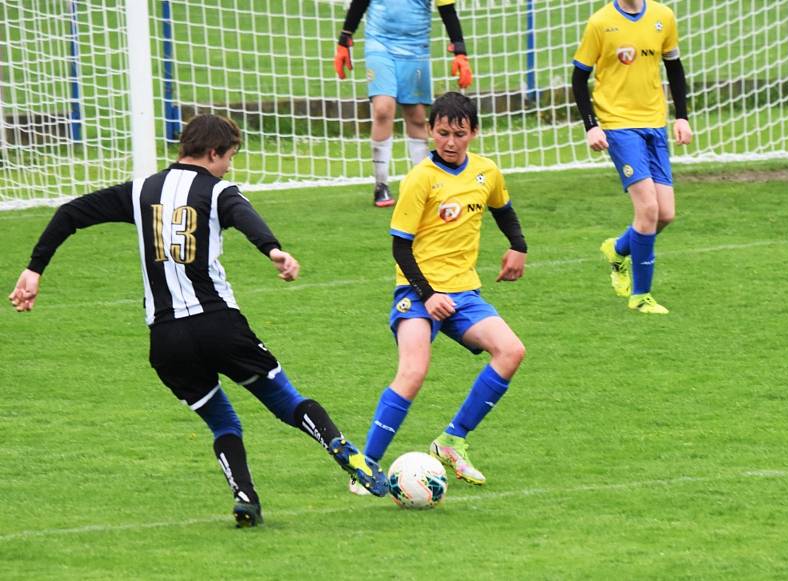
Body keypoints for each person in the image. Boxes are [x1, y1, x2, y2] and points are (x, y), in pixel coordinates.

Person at [8, 114, 388, 527]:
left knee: (223, 421)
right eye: (229, 158)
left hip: (166, 338)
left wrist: (34, 269)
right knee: (286, 400)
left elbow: (70, 213)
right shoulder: (218, 189)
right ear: (212, 153)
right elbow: (244, 214)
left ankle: (245, 498)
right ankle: (340, 447)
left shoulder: (139, 191)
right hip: (219, 325)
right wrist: (273, 250)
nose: (229, 166)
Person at [349, 92, 527, 495]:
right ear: (429, 130)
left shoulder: (486, 172)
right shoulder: (420, 178)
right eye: (442, 133)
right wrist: (428, 295)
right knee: (413, 372)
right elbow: (399, 246)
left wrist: (518, 246)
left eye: (459, 134)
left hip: (464, 292)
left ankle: (452, 440)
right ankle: (366, 466)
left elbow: (504, 209)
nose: (450, 142)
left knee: (511, 351)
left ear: (474, 133)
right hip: (415, 293)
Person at [572, 0, 692, 314]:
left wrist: (682, 117)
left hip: (654, 124)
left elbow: (675, 68)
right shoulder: (600, 23)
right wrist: (591, 126)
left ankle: (617, 249)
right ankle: (640, 296)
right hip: (618, 126)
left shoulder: (663, 17)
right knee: (648, 208)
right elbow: (578, 78)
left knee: (664, 214)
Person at [334, 0, 473, 208]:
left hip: (415, 49)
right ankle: (380, 185)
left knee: (417, 117)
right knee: (382, 109)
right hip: (379, 44)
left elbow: (447, 10)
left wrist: (460, 52)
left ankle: (423, 184)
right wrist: (344, 39)